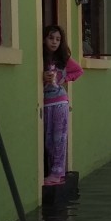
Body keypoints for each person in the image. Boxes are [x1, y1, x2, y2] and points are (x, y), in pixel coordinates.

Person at [43, 25, 84, 186]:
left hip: (59, 102)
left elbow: (79, 71)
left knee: (58, 139)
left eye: (58, 39)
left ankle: (57, 173)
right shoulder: (40, 58)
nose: (54, 42)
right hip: (45, 103)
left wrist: (62, 79)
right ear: (44, 38)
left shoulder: (63, 59)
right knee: (48, 139)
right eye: (51, 38)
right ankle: (52, 171)